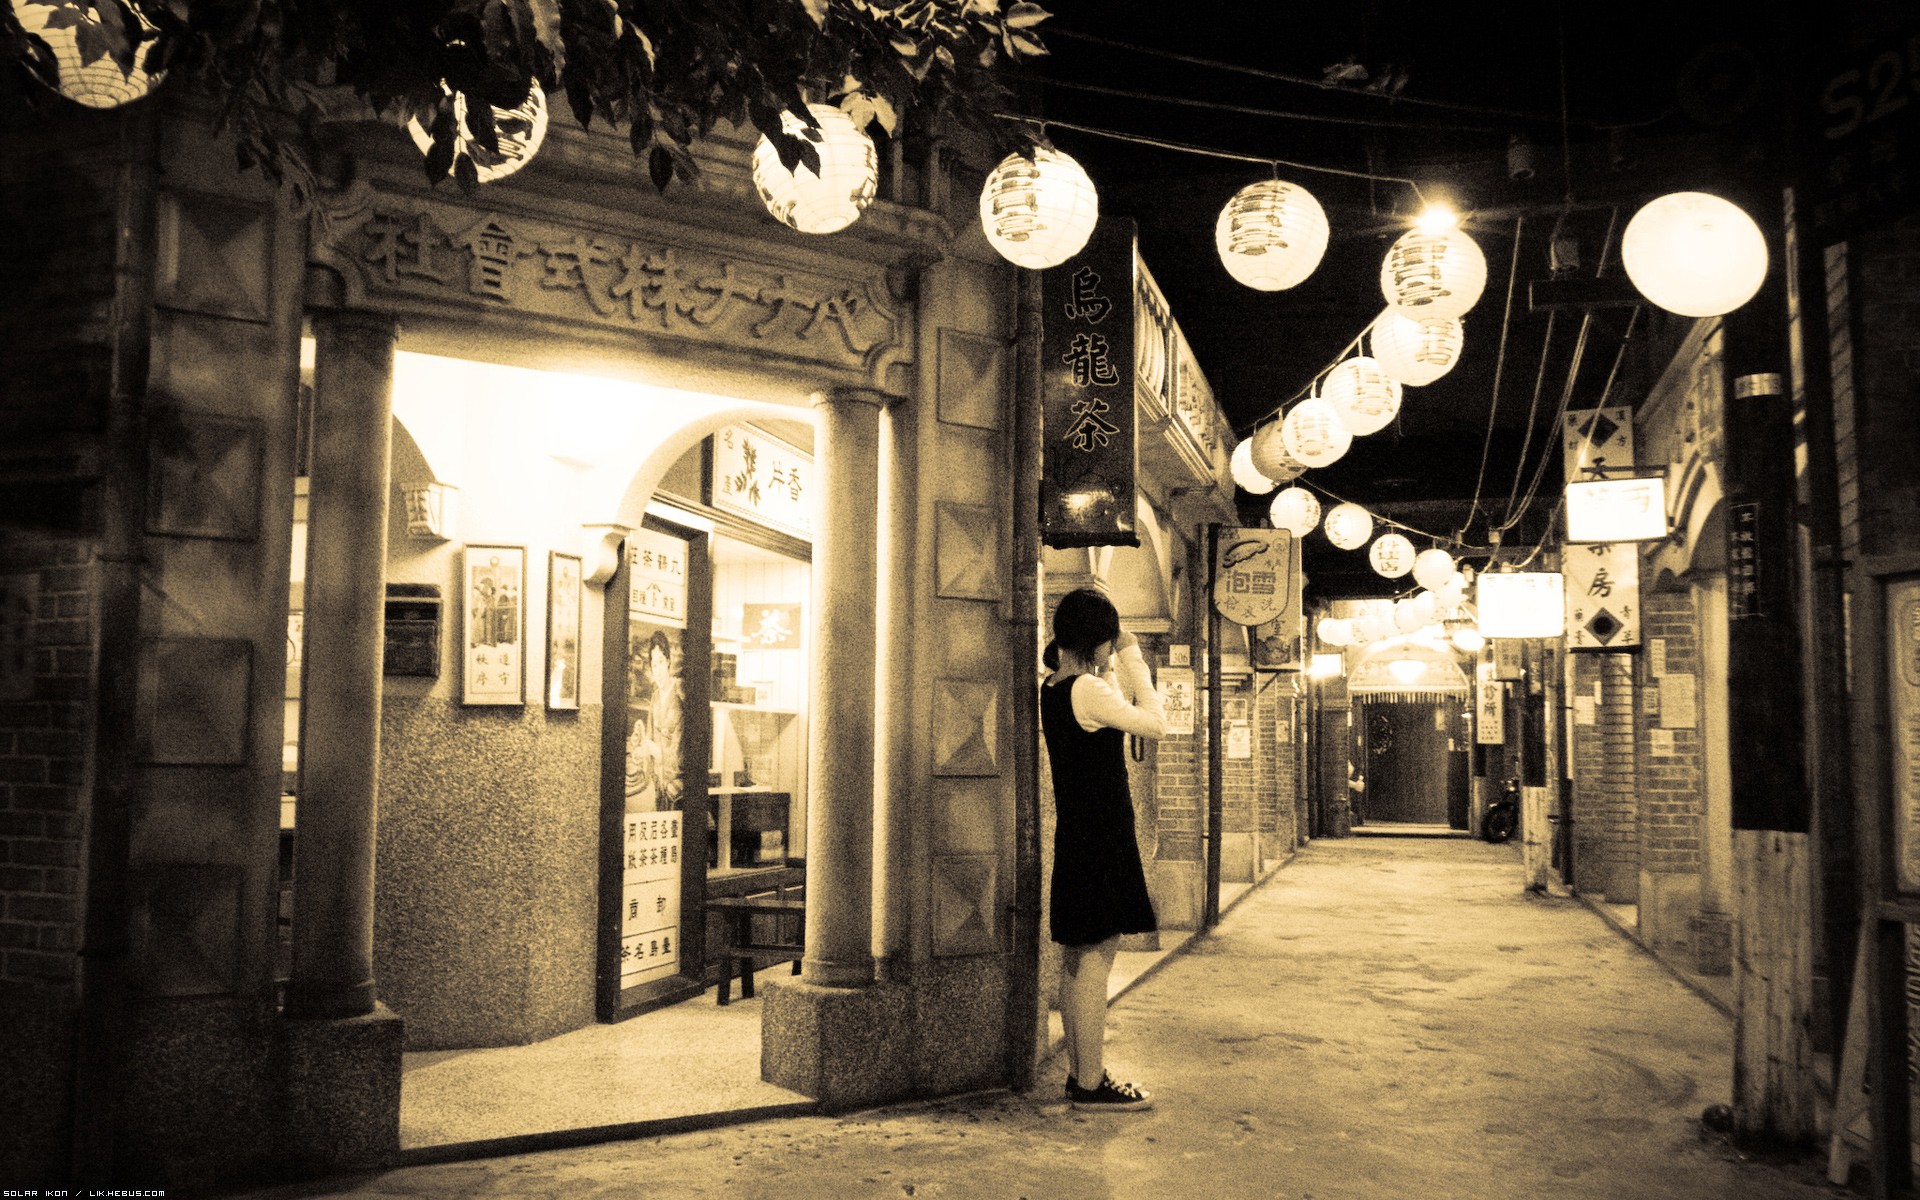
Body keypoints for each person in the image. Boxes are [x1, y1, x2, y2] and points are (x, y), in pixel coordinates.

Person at [1040, 587, 1166, 1112]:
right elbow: (1157, 723)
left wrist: (1107, 660)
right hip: (1101, 837)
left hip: (1080, 833)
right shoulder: (1088, 692)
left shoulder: (1055, 685)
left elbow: (1105, 699)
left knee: (1079, 959)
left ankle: (1082, 1074)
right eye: (1109, 641)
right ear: (1098, 642)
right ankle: (1090, 1082)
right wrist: (1133, 656)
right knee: (1095, 960)